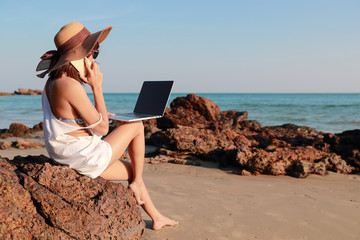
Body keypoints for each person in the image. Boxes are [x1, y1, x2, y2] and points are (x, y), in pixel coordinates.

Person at [36, 21, 178, 230]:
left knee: (130, 169)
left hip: (66, 154)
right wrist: (97, 87)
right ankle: (137, 183)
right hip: (81, 156)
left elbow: (66, 120)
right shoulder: (70, 84)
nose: (93, 59)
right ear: (80, 57)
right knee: (137, 125)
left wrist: (99, 116)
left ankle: (156, 217)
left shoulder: (53, 82)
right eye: (93, 53)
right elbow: (101, 130)